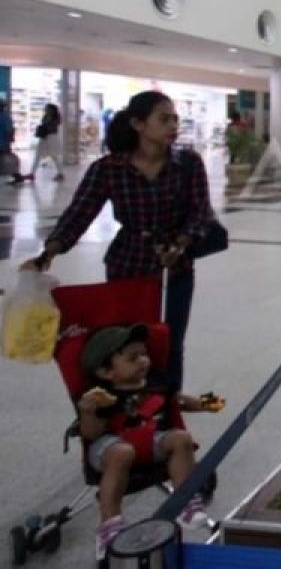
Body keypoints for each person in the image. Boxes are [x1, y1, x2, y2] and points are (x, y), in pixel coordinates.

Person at [24, 91, 214, 391]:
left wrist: (181, 243)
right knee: (129, 342)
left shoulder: (188, 163)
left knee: (171, 340)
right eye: (164, 119)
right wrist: (49, 252)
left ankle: (166, 404)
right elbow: (79, 213)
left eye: (175, 119)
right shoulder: (109, 168)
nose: (173, 126)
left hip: (177, 266)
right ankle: (130, 403)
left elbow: (200, 211)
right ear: (138, 124)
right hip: (128, 264)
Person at [77, 324, 217, 558]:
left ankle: (185, 501)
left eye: (144, 354)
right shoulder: (99, 395)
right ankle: (109, 526)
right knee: (122, 453)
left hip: (151, 439)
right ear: (107, 372)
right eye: (133, 358)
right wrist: (87, 413)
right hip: (110, 445)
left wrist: (212, 402)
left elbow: (181, 401)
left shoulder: (158, 382)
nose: (143, 360)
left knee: (181, 438)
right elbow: (91, 434)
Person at [26, 102, 64, 181]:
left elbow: (52, 126)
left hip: (52, 137)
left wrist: (47, 124)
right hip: (44, 137)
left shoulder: (56, 117)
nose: (45, 109)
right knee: (38, 154)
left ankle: (60, 173)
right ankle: (32, 173)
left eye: (47, 108)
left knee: (54, 155)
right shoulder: (45, 116)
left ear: (52, 109)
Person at [0, 100, 23, 185]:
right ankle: (17, 176)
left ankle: (17, 176)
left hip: (2, 143)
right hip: (3, 143)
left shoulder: (5, 117)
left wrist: (8, 142)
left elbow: (9, 131)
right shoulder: (6, 117)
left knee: (6, 160)